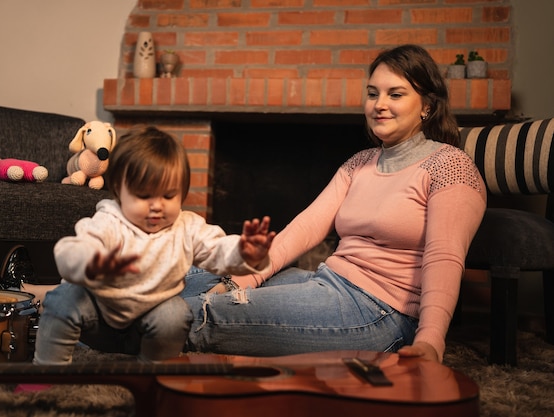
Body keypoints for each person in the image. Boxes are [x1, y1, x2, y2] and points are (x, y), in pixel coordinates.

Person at [180, 44, 487, 363]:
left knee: (204, 313)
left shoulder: (450, 165)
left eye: (395, 94)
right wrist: (237, 280)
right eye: (372, 94)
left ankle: (135, 321)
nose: (379, 105)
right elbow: (304, 229)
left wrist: (431, 342)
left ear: (426, 106)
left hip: (380, 311)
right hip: (326, 283)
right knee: (193, 274)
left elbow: (445, 256)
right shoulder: (360, 163)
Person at [33, 126, 275, 365]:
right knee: (63, 298)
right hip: (97, 319)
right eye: (144, 196)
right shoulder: (108, 221)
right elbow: (69, 250)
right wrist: (92, 263)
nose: (157, 205)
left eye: (168, 196)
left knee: (176, 313)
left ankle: (153, 376)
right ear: (119, 191)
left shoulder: (186, 227)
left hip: (149, 328)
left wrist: (245, 253)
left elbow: (217, 250)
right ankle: (46, 373)